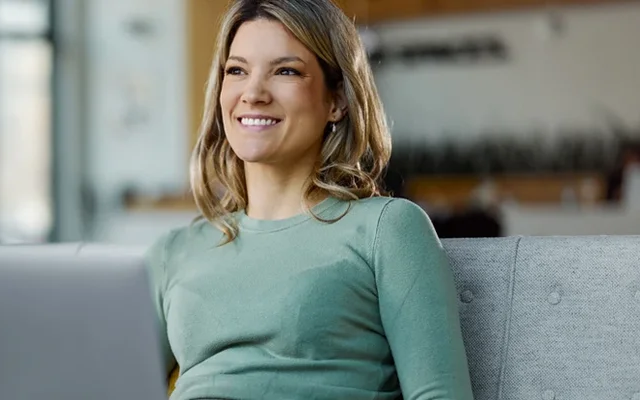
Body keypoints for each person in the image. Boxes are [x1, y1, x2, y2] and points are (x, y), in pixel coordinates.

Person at [144, 1, 475, 399]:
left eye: (286, 71)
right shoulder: (172, 253)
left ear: (337, 100)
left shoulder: (386, 230)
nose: (253, 93)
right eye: (237, 71)